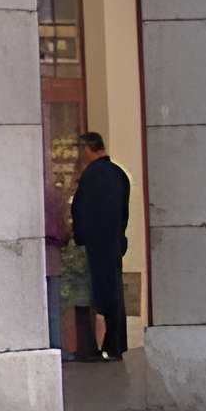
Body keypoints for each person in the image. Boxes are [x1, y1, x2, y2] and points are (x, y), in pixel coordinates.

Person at [69, 130, 132, 363]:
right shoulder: (119, 174)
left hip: (95, 245)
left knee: (95, 296)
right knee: (114, 292)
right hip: (114, 241)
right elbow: (124, 211)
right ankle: (116, 343)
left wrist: (79, 237)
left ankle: (92, 345)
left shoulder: (91, 176)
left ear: (87, 149)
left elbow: (80, 210)